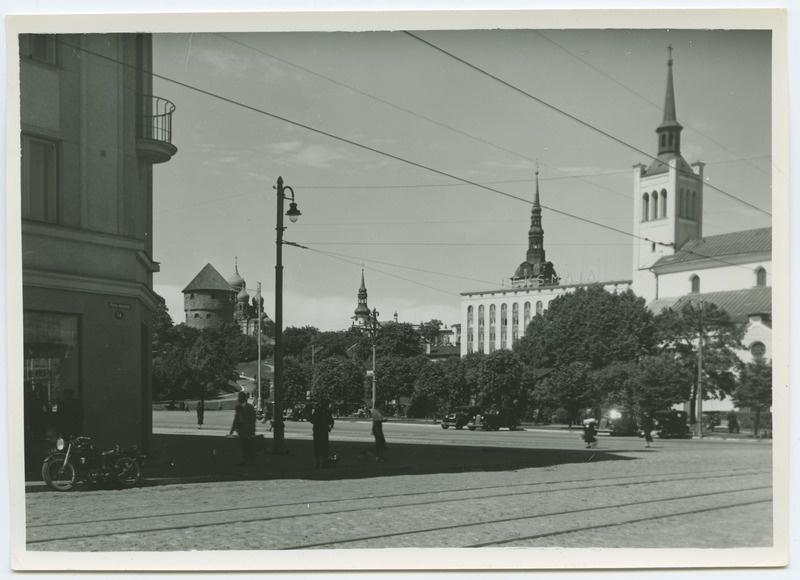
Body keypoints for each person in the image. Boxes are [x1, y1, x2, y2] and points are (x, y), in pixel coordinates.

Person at [228, 391, 257, 466]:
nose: (238, 399)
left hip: (248, 430)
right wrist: (232, 430)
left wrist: (252, 431)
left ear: (244, 398)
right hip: (241, 431)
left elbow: (253, 420)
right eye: (238, 397)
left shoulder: (250, 407)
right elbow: (236, 419)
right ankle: (244, 461)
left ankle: (249, 460)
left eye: (240, 397)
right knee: (243, 446)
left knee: (248, 446)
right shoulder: (238, 407)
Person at [309, 400, 335, 469]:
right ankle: (323, 463)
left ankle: (317, 464)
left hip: (317, 431)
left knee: (317, 446)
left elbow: (311, 420)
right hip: (324, 431)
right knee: (324, 447)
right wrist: (330, 426)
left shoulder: (317, 411)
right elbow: (331, 421)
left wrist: (317, 423)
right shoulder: (327, 411)